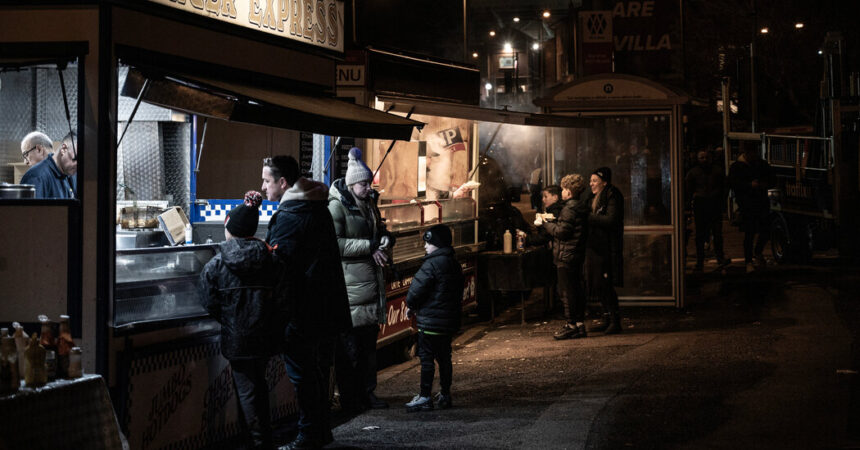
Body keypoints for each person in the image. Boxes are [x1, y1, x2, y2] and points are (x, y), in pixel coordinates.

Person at [263, 155, 352, 449]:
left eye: (266, 180)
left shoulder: (290, 216)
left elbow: (278, 266)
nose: (263, 187)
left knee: (303, 376)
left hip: (302, 310)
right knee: (317, 372)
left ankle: (308, 435)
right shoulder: (317, 207)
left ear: (283, 182)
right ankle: (320, 431)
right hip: (326, 307)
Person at [199, 191, 290, 450]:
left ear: (230, 229)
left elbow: (208, 301)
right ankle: (255, 438)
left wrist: (229, 319)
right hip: (265, 336)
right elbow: (285, 299)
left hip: (237, 338)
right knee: (258, 386)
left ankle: (258, 442)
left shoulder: (216, 264)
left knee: (248, 389)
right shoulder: (272, 259)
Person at [327, 147, 394, 412]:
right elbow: (336, 244)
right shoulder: (336, 206)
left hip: (370, 285)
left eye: (369, 183)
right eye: (364, 184)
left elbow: (379, 232)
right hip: (350, 289)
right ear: (352, 183)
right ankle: (350, 398)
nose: (368, 187)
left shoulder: (369, 203)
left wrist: (387, 239)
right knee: (350, 352)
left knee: (368, 349)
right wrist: (370, 246)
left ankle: (367, 394)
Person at [403, 224, 464, 412]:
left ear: (436, 243)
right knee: (445, 358)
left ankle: (424, 396)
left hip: (430, 321)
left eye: (428, 243)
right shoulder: (453, 262)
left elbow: (416, 290)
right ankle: (445, 394)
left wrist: (411, 306)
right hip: (447, 322)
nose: (425, 247)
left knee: (427, 359)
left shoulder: (431, 264)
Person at [536, 175, 589, 340]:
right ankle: (579, 325)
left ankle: (571, 324)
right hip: (575, 253)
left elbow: (561, 232)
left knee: (568, 292)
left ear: (570, 191)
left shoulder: (569, 208)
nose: (562, 192)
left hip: (566, 254)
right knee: (575, 290)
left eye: (564, 189)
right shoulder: (579, 206)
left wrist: (545, 223)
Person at [585, 167, 624, 334]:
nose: (591, 184)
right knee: (598, 283)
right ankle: (607, 317)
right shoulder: (593, 197)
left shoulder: (612, 195)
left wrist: (587, 217)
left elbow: (610, 220)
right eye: (590, 180)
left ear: (604, 182)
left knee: (605, 283)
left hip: (607, 247)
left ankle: (615, 321)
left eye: (594, 181)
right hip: (596, 247)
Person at [729, 146, 773, 273]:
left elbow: (771, 178)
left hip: (760, 202)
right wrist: (749, 185)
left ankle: (757, 252)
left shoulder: (760, 164)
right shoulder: (737, 167)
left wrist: (764, 184)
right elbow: (733, 183)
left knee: (765, 230)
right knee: (750, 233)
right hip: (747, 204)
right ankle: (749, 260)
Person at [685, 149, 729, 271]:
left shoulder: (715, 171)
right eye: (702, 158)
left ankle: (717, 258)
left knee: (716, 233)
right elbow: (688, 189)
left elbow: (724, 186)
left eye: (706, 157)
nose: (704, 160)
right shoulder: (694, 173)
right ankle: (702, 260)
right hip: (702, 204)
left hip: (712, 203)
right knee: (701, 234)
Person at [21, 132, 77, 199]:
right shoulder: (37, 177)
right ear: (64, 149)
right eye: (75, 159)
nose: (25, 162)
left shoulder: (71, 174)